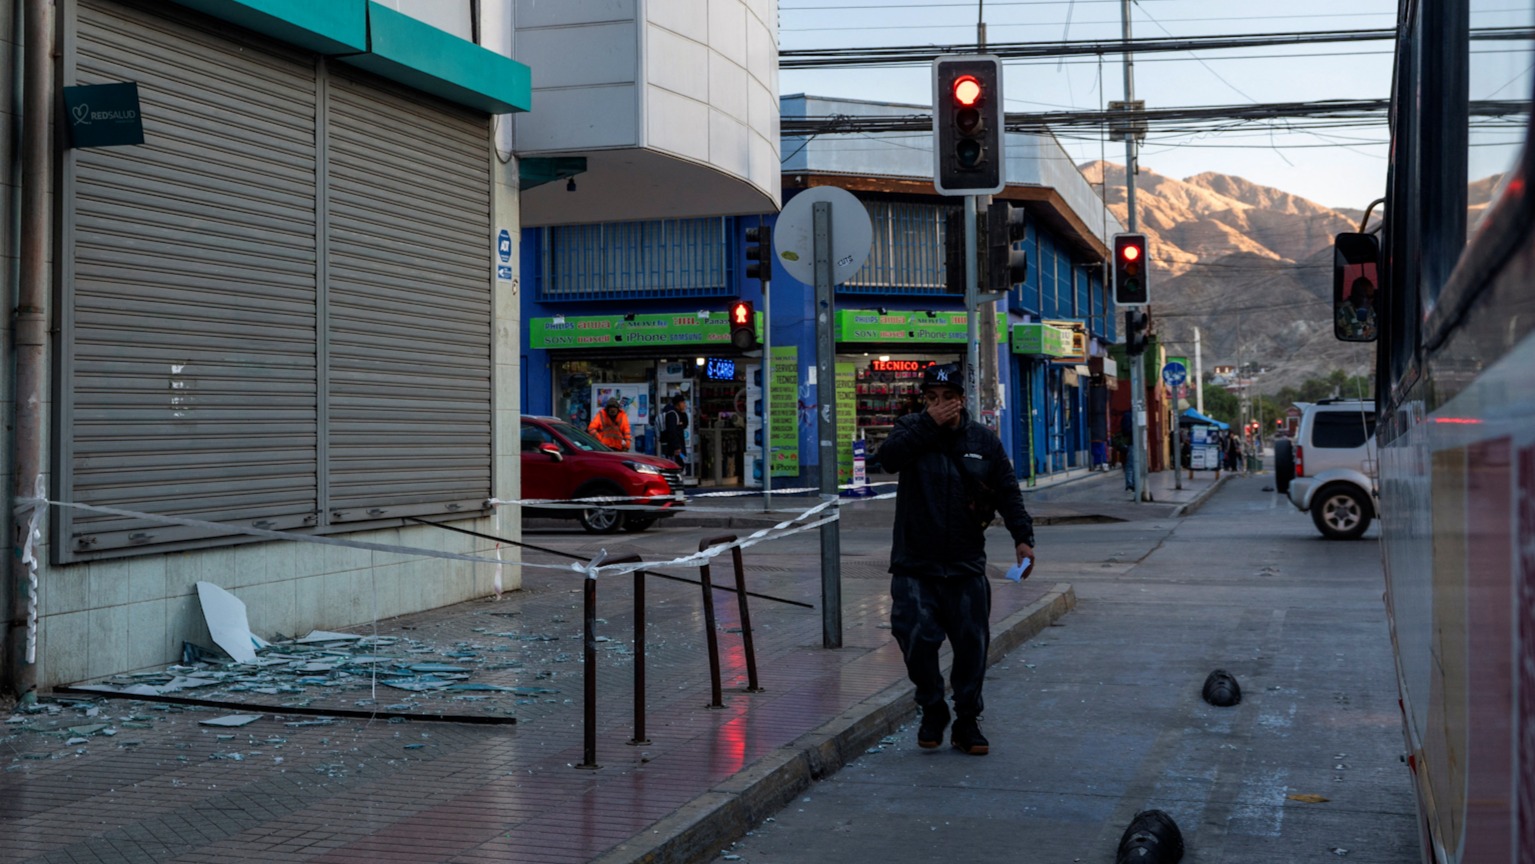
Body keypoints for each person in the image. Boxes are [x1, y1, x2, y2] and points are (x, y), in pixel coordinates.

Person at [875, 362, 1035, 756]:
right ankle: (932, 707)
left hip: (964, 564)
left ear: (962, 400)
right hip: (915, 562)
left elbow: (1007, 490)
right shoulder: (910, 430)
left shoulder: (983, 441)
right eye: (932, 398)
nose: (940, 405)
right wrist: (927, 424)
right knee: (914, 638)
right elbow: (888, 459)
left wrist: (1023, 538)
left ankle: (966, 720)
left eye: (948, 398)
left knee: (971, 646)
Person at [658, 393, 689, 463]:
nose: (684, 405)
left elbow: (685, 424)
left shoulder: (679, 413)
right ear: (679, 403)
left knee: (682, 462)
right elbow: (672, 431)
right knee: (678, 464)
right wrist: (677, 447)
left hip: (679, 446)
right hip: (675, 448)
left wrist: (683, 412)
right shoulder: (672, 414)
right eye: (683, 403)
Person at [1120, 410, 1135, 491]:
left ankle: (1134, 483)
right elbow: (1125, 430)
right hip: (1131, 442)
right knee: (1130, 464)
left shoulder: (1135, 415)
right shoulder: (1128, 415)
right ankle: (1129, 484)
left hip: (1137, 443)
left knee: (1134, 464)